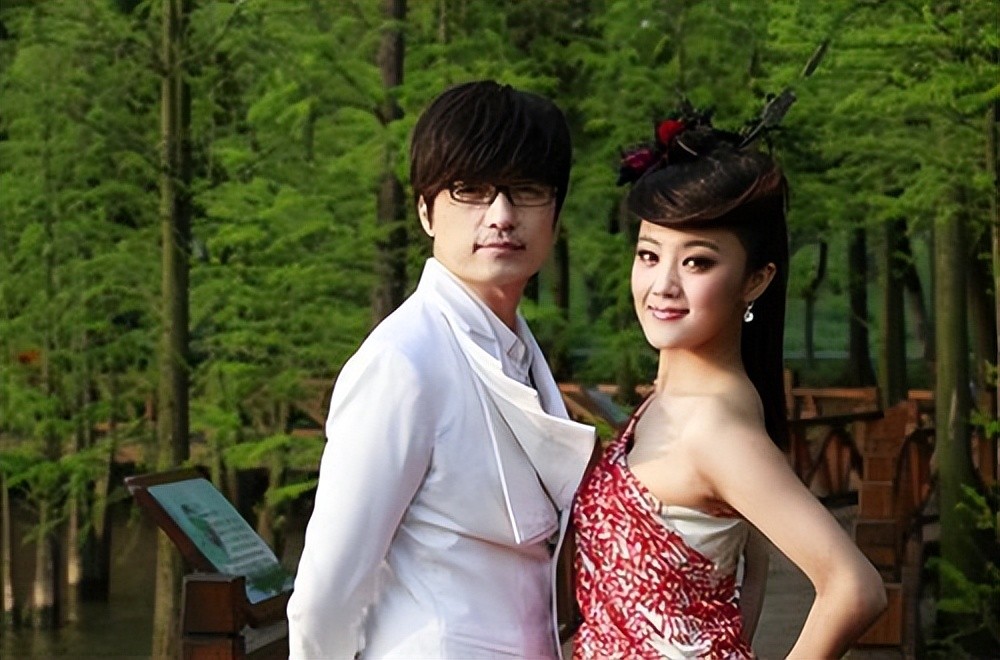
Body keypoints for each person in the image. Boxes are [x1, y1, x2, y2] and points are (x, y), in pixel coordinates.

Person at [287, 80, 596, 659]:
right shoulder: (403, 362)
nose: (501, 216)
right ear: (426, 210)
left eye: (527, 191)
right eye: (470, 191)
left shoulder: (519, 350)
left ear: (555, 214)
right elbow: (324, 596)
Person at [572, 103, 887, 658]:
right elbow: (752, 565)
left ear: (756, 280)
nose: (663, 285)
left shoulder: (715, 428)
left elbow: (854, 588)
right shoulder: (676, 399)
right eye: (649, 255)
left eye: (696, 262)